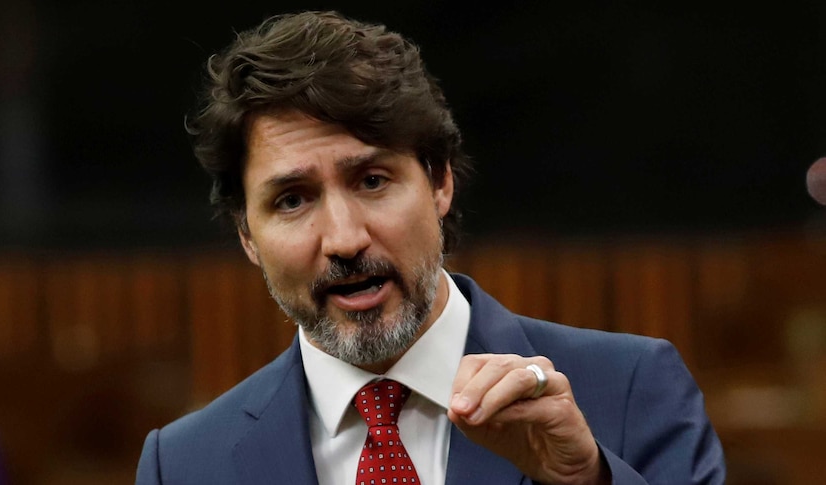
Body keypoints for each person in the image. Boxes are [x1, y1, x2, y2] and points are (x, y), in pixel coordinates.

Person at [136, 10, 725, 484]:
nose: (344, 240)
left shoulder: (630, 388)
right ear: (247, 236)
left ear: (440, 182)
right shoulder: (185, 464)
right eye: (292, 199)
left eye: (372, 181)